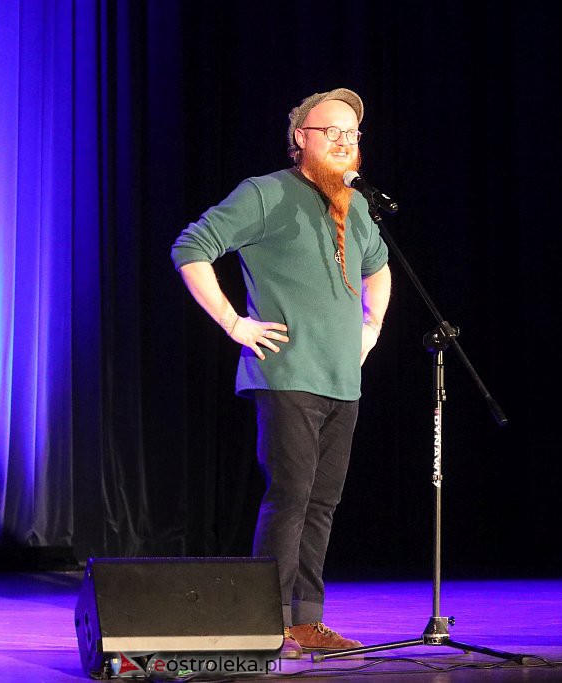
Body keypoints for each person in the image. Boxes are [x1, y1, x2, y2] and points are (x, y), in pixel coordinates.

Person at [170, 88, 392, 659]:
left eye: (352, 133)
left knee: (322, 502)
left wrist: (371, 327)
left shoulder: (356, 205)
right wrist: (233, 322)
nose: (344, 141)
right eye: (331, 131)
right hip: (287, 371)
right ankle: (266, 620)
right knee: (291, 496)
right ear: (300, 137)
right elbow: (192, 247)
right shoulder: (266, 193)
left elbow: (379, 266)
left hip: (342, 378)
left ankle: (307, 621)